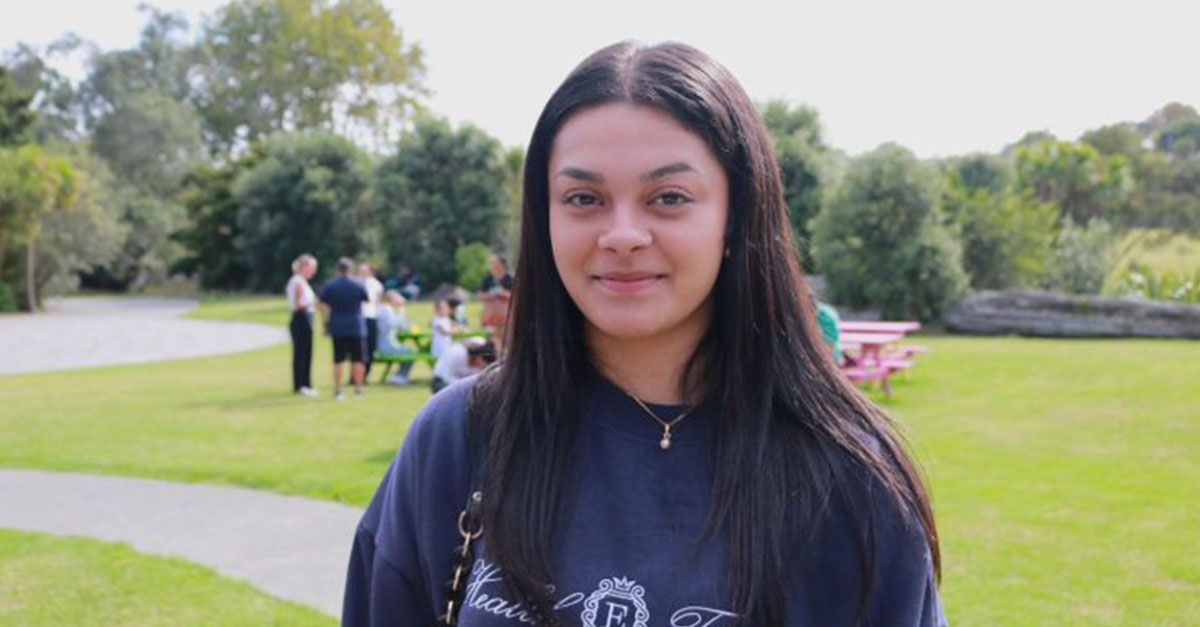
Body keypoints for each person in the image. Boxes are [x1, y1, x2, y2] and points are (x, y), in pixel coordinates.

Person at [344, 42, 945, 626]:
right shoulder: (459, 437)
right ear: (544, 217)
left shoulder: (853, 477)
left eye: (668, 198)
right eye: (584, 198)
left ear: (735, 217)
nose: (622, 234)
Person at [318, 257, 368, 400]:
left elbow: (321, 305)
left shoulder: (330, 285)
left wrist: (325, 323)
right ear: (350, 269)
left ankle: (339, 390)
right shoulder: (358, 284)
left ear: (337, 270)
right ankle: (359, 389)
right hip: (356, 325)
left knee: (338, 360)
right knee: (358, 359)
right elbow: (366, 300)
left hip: (338, 325)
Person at [285, 253, 318, 397]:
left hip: (305, 317)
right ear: (304, 266)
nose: (313, 271)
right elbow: (299, 304)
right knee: (302, 352)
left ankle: (305, 383)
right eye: (312, 267)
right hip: (301, 317)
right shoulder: (298, 281)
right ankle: (301, 385)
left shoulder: (301, 281)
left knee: (306, 352)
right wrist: (314, 303)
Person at [375, 290, 417, 385]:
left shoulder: (385, 308)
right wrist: (401, 307)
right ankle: (400, 376)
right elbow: (396, 324)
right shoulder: (385, 309)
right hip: (386, 347)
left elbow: (397, 325)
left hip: (388, 344)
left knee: (409, 351)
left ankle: (400, 375)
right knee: (411, 353)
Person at [430, 336, 497, 394]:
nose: (483, 367)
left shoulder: (481, 345)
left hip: (462, 385)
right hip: (442, 381)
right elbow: (448, 378)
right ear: (479, 357)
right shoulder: (458, 354)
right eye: (483, 363)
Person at [477, 252, 513, 351]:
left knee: (507, 339)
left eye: (495, 262)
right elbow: (480, 295)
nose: (492, 265)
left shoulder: (510, 278)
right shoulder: (488, 279)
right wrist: (490, 294)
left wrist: (502, 293)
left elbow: (516, 296)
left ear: (502, 264)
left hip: (506, 317)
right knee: (492, 340)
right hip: (490, 317)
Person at [359, 262, 385, 381]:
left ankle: (366, 374)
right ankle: (357, 375)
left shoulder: (376, 284)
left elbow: (378, 302)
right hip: (360, 317)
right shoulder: (357, 282)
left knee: (370, 347)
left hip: (371, 317)